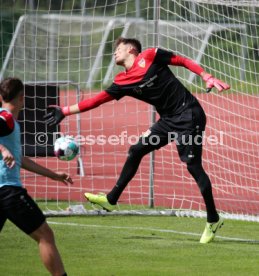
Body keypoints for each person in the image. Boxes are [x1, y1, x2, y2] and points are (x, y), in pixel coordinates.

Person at [44, 37, 230, 244]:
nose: (114, 53)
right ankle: (111, 200)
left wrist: (206, 75)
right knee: (136, 149)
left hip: (189, 115)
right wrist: (65, 111)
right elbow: (96, 100)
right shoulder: (122, 81)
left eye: (118, 49)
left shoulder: (150, 55)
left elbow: (182, 60)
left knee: (193, 167)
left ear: (131, 49)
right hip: (168, 121)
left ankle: (213, 219)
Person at [0, 77, 72, 276]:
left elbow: (21, 159)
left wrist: (53, 175)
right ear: (23, 98)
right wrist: (3, 149)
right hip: (8, 191)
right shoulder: (5, 118)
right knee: (45, 235)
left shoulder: (11, 123)